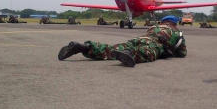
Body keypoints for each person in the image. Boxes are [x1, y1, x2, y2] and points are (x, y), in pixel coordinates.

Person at [58, 16, 186, 67]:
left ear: (163, 22)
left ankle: (85, 47)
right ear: (174, 23)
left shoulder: (154, 27)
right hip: (153, 44)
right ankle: (128, 54)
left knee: (111, 49)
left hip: (138, 39)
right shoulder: (176, 32)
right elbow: (182, 52)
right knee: (146, 53)